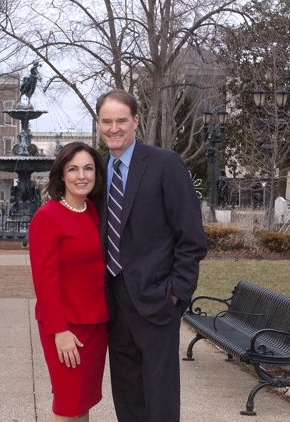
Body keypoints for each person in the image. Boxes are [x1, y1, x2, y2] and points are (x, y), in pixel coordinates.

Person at [95, 89, 208, 422]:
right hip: (112, 302)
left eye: (121, 120)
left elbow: (191, 237)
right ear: (99, 123)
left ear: (136, 122)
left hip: (157, 300)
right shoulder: (99, 173)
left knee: (159, 396)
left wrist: (175, 293)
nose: (114, 128)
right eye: (106, 121)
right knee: (126, 393)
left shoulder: (164, 164)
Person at [29, 142, 108, 422]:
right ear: (61, 175)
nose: (81, 175)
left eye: (88, 168)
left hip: (96, 325)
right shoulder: (47, 217)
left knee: (82, 403)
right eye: (72, 169)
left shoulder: (95, 213)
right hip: (65, 328)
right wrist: (59, 331)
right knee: (66, 406)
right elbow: (44, 280)